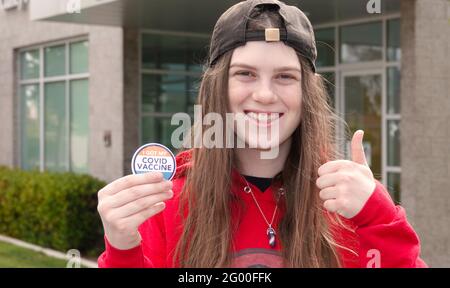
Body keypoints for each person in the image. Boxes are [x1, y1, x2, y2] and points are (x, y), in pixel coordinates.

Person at [97, 0, 427, 268]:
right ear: (218, 90)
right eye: (246, 74)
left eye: (285, 77)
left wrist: (379, 219)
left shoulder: (347, 206)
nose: (266, 94)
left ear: (306, 96)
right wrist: (122, 247)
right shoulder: (168, 203)